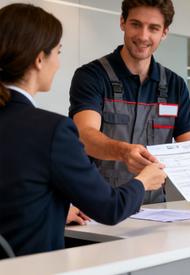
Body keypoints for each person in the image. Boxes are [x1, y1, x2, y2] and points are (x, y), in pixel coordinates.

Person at [0, 3, 167, 257]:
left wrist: (56, 206)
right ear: (39, 59)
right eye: (58, 51)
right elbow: (110, 209)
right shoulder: (52, 130)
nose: (58, 63)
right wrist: (144, 182)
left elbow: (16, 191)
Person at [69, 0, 190, 204]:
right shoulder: (92, 76)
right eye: (136, 24)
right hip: (97, 207)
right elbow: (85, 135)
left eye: (153, 28)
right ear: (122, 22)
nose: (143, 36)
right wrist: (124, 152)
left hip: (154, 208)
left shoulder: (175, 85)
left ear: (164, 32)